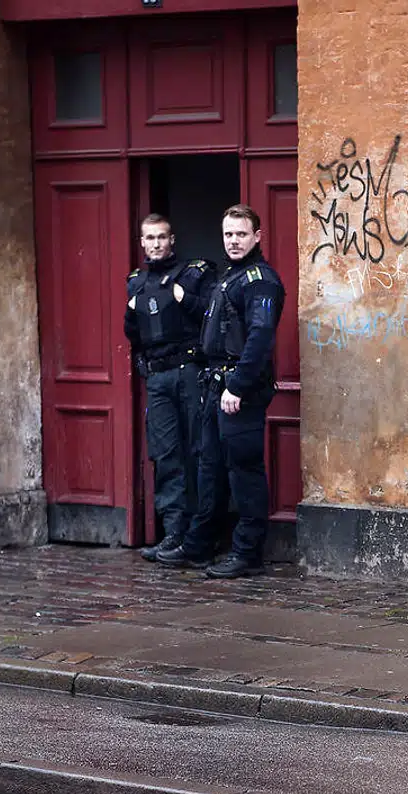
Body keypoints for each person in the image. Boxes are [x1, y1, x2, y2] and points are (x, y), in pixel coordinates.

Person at [157, 205, 284, 579]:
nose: (233, 241)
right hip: (215, 385)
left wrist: (238, 386)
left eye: (241, 234)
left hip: (239, 390)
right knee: (209, 466)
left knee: (244, 470)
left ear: (257, 237)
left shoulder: (261, 281)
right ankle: (199, 544)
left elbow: (260, 338)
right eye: (228, 234)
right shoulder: (231, 277)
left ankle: (247, 553)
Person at [124, 214, 214, 561]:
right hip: (158, 377)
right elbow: (134, 334)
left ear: (172, 239)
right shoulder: (136, 283)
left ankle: (201, 536)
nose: (156, 244)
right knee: (166, 455)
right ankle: (173, 534)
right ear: (142, 242)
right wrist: (131, 314)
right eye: (150, 238)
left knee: (198, 452)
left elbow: (212, 317)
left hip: (189, 371)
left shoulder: (194, 274)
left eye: (162, 237)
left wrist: (184, 299)